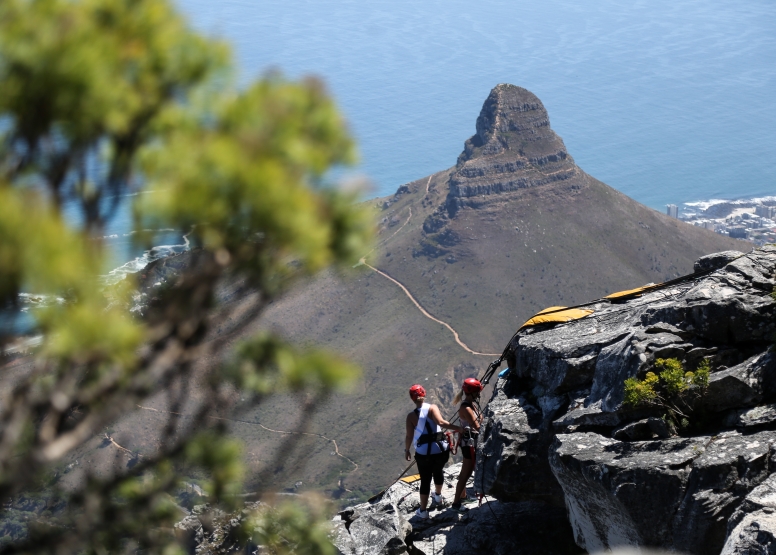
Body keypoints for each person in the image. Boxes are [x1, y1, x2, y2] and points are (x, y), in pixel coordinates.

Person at [405, 384, 462, 519]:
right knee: (438, 471)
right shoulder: (432, 408)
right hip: (440, 449)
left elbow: (409, 436)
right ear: (424, 395)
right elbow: (441, 423)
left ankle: (423, 511)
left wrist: (406, 450)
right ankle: (438, 496)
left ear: (412, 399)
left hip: (423, 453)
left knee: (425, 480)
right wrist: (459, 428)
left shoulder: (411, 417)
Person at [450, 378, 484, 512]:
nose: (478, 394)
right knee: (466, 473)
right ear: (471, 393)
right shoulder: (467, 408)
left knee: (466, 472)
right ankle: (456, 503)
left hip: (470, 443)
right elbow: (477, 426)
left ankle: (460, 499)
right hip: (468, 444)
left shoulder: (472, 405)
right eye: (477, 392)